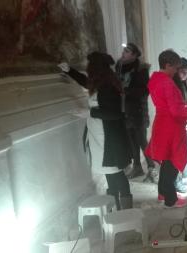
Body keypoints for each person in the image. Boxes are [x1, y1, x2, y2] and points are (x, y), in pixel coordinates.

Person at [58, 52, 133, 209]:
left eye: (90, 67)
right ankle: (114, 208)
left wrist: (90, 113)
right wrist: (69, 71)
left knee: (116, 174)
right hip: (101, 135)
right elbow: (85, 82)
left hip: (109, 138)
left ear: (95, 69)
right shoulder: (102, 82)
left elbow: (114, 113)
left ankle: (126, 210)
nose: (88, 70)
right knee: (110, 173)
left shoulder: (107, 86)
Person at [145, 49, 187, 208]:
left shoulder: (155, 79)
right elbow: (176, 111)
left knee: (166, 160)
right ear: (167, 65)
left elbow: (169, 104)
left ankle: (162, 193)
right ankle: (171, 199)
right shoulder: (167, 83)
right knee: (171, 162)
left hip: (161, 123)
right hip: (171, 126)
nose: (176, 71)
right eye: (175, 67)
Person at [115, 43, 156, 181]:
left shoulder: (141, 70)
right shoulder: (119, 66)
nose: (123, 53)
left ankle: (151, 167)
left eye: (127, 51)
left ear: (134, 55)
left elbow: (144, 90)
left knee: (141, 140)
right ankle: (137, 167)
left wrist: (125, 91)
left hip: (137, 110)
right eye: (124, 50)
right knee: (131, 140)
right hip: (124, 109)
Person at [172, 57, 187, 193]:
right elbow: (177, 106)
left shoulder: (184, 83)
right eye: (183, 72)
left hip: (186, 121)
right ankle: (176, 181)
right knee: (179, 151)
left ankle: (186, 175)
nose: (186, 75)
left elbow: (184, 102)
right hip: (178, 122)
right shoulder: (173, 85)